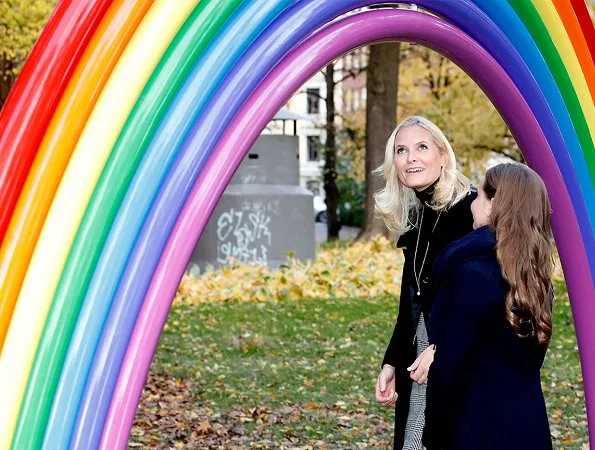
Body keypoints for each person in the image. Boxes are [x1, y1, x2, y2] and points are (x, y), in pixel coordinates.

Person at [422, 163, 554, 450]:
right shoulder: (534, 277)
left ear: (494, 205)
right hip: (527, 427)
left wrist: (433, 433)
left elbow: (450, 371)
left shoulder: (471, 274)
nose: (472, 204)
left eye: (479, 195)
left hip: (475, 428)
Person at [373, 116, 476, 449]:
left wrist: (443, 349)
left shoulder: (472, 212)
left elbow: (485, 299)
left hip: (462, 354)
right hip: (420, 351)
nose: (411, 157)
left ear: (443, 155)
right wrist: (391, 361)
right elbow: (411, 302)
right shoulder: (416, 218)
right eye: (401, 150)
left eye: (421, 147)